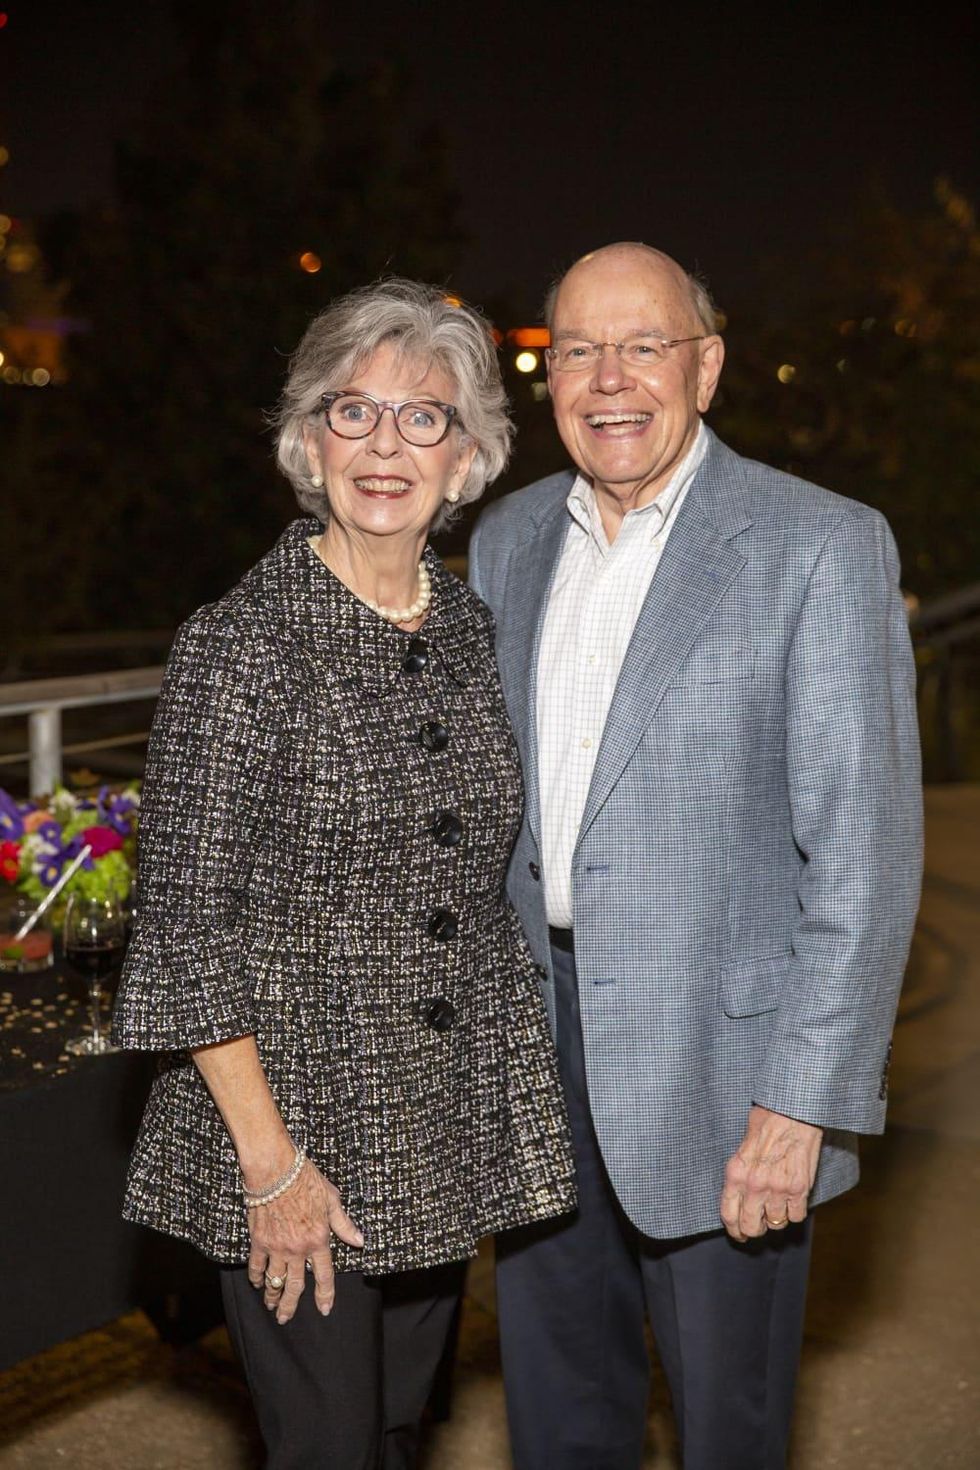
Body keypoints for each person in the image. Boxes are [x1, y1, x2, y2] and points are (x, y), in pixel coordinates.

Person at [469, 242, 922, 1470]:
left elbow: (865, 856)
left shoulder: (817, 544)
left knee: (729, 1429)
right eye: (577, 351)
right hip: (537, 1054)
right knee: (558, 1421)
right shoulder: (507, 540)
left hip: (727, 1080)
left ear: (705, 368)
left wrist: (800, 1101)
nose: (608, 380)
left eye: (643, 346)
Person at [113, 278, 575, 1470]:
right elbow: (182, 933)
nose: (384, 446)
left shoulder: (470, 631)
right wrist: (272, 1172)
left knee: (393, 1433)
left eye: (421, 417)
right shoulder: (240, 644)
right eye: (352, 412)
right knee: (325, 1447)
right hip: (288, 1134)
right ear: (308, 441)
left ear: (465, 455)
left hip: (437, 1129)